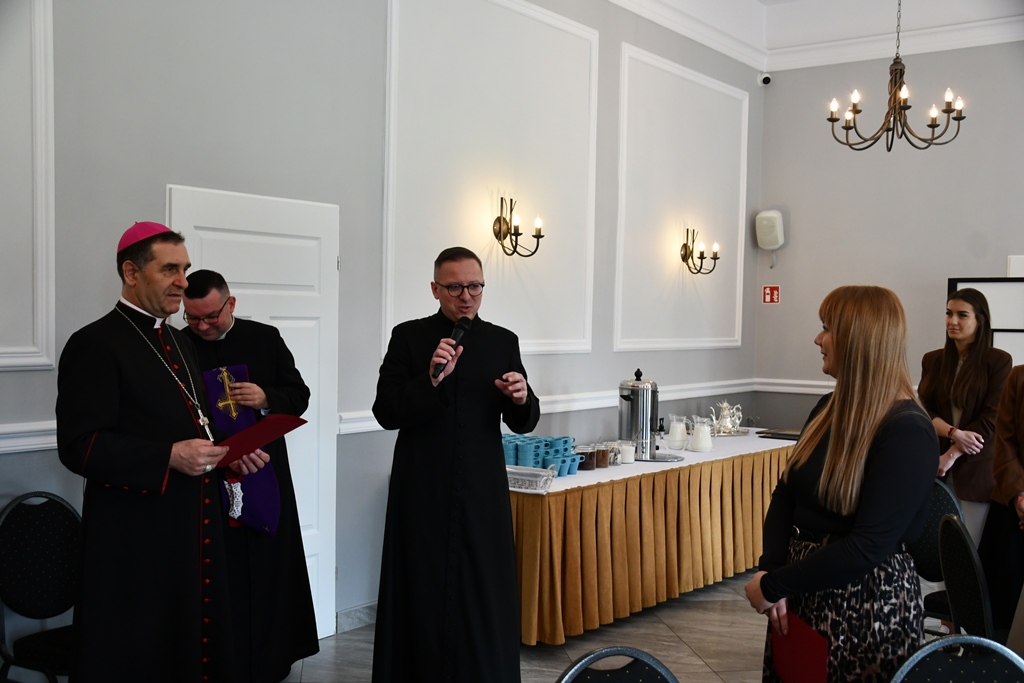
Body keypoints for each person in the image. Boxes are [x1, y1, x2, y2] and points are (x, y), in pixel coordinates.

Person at [56, 222, 267, 683]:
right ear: (132, 273)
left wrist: (226, 452)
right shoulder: (94, 343)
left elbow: (192, 421)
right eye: (170, 269)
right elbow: (77, 446)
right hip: (136, 537)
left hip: (193, 525)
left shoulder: (179, 341)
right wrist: (167, 456)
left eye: (185, 269)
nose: (183, 282)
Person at [744, 285, 936, 682]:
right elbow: (786, 493)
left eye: (827, 328)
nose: (818, 339)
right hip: (803, 589)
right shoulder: (828, 407)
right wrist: (773, 571)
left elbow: (868, 545)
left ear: (858, 340)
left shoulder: (907, 430)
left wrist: (776, 584)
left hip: (865, 605)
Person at [370, 246, 540, 683]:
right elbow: (385, 411)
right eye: (455, 288)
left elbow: (523, 421)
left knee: (483, 590)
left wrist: (523, 397)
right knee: (421, 586)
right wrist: (429, 380)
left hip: (481, 489)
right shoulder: (408, 337)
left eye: (475, 287)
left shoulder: (502, 341)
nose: (466, 297)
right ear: (435, 289)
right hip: (421, 486)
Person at [182, 269, 320, 683]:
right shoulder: (179, 346)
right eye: (193, 318)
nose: (203, 327)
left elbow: (298, 397)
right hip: (210, 477)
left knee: (267, 568)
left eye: (211, 316)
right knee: (219, 573)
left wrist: (265, 398)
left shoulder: (265, 338)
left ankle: (271, 660)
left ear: (231, 304)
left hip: (263, 470)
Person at [918, 288, 1012, 543]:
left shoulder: (999, 361)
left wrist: (952, 454)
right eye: (949, 313)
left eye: (962, 315)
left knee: (967, 547)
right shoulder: (933, 360)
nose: (953, 321)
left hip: (975, 469)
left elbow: (992, 418)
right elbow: (923, 409)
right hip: (935, 464)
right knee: (932, 544)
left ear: (980, 320)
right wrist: (953, 433)